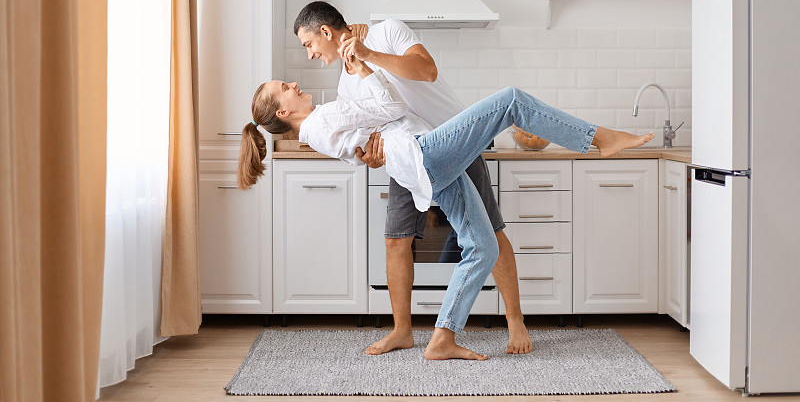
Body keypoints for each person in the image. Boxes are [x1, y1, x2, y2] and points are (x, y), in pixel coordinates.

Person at [237, 48, 654, 361]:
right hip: (424, 154)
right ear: (283, 109)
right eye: (283, 88)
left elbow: (378, 124)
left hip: (421, 165)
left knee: (483, 246)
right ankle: (600, 139)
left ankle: (443, 337)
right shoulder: (320, 120)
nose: (292, 83)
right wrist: (364, 68)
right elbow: (392, 107)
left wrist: (369, 104)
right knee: (511, 99)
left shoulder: (320, 124)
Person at [293, 1, 532, 357]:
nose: (310, 54)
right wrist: (369, 158)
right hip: (407, 158)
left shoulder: (387, 31)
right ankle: (402, 330)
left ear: (325, 32)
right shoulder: (346, 83)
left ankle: (515, 320)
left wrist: (369, 53)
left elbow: (427, 70)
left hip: (453, 142)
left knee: (492, 232)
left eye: (308, 44)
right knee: (396, 240)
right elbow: (368, 133)